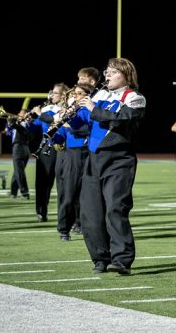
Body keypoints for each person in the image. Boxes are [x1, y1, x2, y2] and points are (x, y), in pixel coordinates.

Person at [69, 58, 145, 275]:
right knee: (90, 213)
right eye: (107, 71)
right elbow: (82, 122)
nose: (107, 75)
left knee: (115, 208)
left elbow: (122, 119)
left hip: (119, 160)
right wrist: (70, 115)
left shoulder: (135, 98)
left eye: (112, 72)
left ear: (126, 75)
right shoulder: (100, 95)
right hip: (94, 160)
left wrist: (92, 108)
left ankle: (121, 260)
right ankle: (100, 258)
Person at [52, 83, 93, 241]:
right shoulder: (68, 113)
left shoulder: (90, 111)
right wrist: (53, 132)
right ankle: (64, 229)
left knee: (87, 195)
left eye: (80, 94)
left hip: (90, 154)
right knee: (68, 195)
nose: (76, 97)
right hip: (73, 155)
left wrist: (71, 125)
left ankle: (83, 225)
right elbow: (60, 135)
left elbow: (89, 129)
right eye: (75, 94)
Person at [29, 83, 68, 222]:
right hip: (47, 148)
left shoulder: (66, 108)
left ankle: (66, 216)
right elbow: (34, 129)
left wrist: (41, 114)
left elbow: (57, 123)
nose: (52, 95)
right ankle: (41, 211)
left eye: (55, 93)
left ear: (64, 95)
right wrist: (26, 122)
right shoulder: (47, 108)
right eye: (52, 92)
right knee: (43, 181)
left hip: (64, 148)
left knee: (65, 184)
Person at [6, 110, 32, 199]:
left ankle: (25, 192)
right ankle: (13, 192)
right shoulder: (19, 124)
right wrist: (9, 123)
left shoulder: (24, 124)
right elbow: (8, 132)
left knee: (19, 171)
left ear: (25, 115)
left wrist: (12, 123)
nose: (17, 115)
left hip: (19, 148)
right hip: (24, 149)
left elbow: (16, 126)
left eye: (20, 113)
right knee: (17, 171)